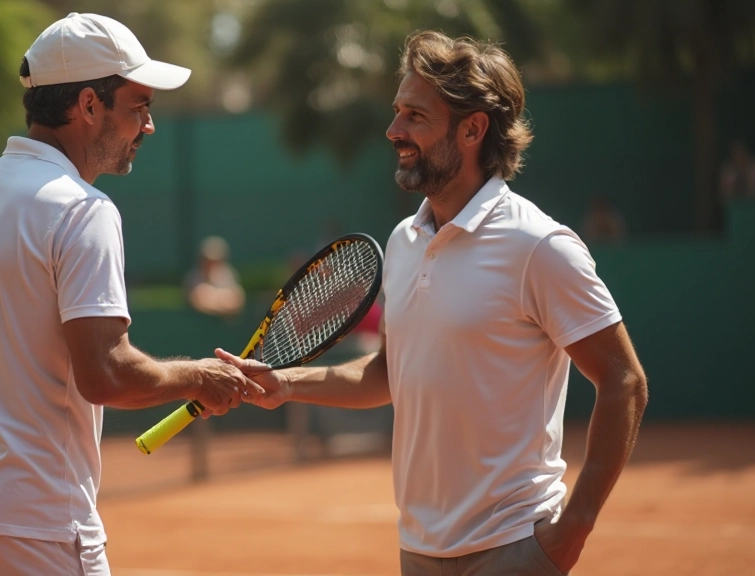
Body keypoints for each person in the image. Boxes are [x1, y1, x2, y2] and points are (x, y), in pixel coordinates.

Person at [218, 31, 648, 576]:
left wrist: (571, 534)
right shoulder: (404, 240)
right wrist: (286, 384)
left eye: (415, 116)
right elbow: (389, 373)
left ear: (472, 129)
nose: (393, 130)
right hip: (419, 550)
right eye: (397, 112)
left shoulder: (539, 245)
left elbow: (624, 381)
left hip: (515, 547)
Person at [0, 13, 260, 576]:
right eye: (139, 106)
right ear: (90, 105)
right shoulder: (82, 210)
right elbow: (106, 375)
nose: (148, 126)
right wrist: (199, 376)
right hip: (31, 519)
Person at [184, 235, 245, 317]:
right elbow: (197, 300)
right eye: (208, 260)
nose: (211, 264)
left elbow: (236, 300)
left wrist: (216, 298)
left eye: (216, 260)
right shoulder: (194, 276)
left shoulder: (227, 273)